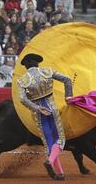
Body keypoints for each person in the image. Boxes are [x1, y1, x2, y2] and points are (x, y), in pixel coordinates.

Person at [17, 53, 73, 181]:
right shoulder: (47, 71)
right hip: (51, 109)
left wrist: (37, 108)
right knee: (60, 140)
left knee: (49, 143)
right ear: (37, 63)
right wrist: (68, 96)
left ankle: (59, 172)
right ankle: (51, 162)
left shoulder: (22, 80)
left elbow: (22, 99)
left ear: (26, 66)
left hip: (39, 114)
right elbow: (67, 79)